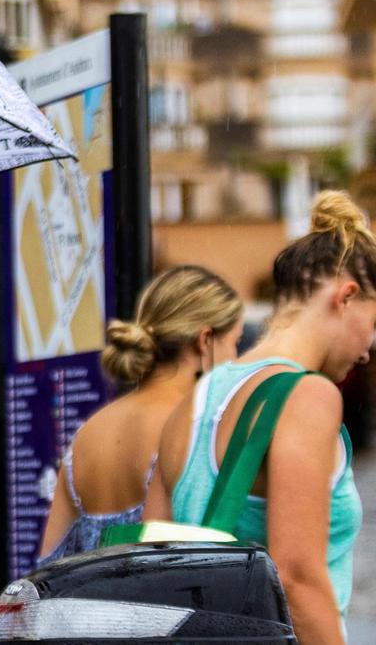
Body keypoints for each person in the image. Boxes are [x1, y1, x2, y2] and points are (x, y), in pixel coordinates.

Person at [146, 191, 370, 644]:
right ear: (346, 297)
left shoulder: (195, 400)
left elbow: (154, 558)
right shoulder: (307, 396)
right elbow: (297, 581)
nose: (368, 350)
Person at [36, 266, 243, 566]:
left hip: (96, 609)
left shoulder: (89, 432)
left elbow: (50, 561)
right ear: (205, 341)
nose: (236, 359)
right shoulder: (193, 425)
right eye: (234, 342)